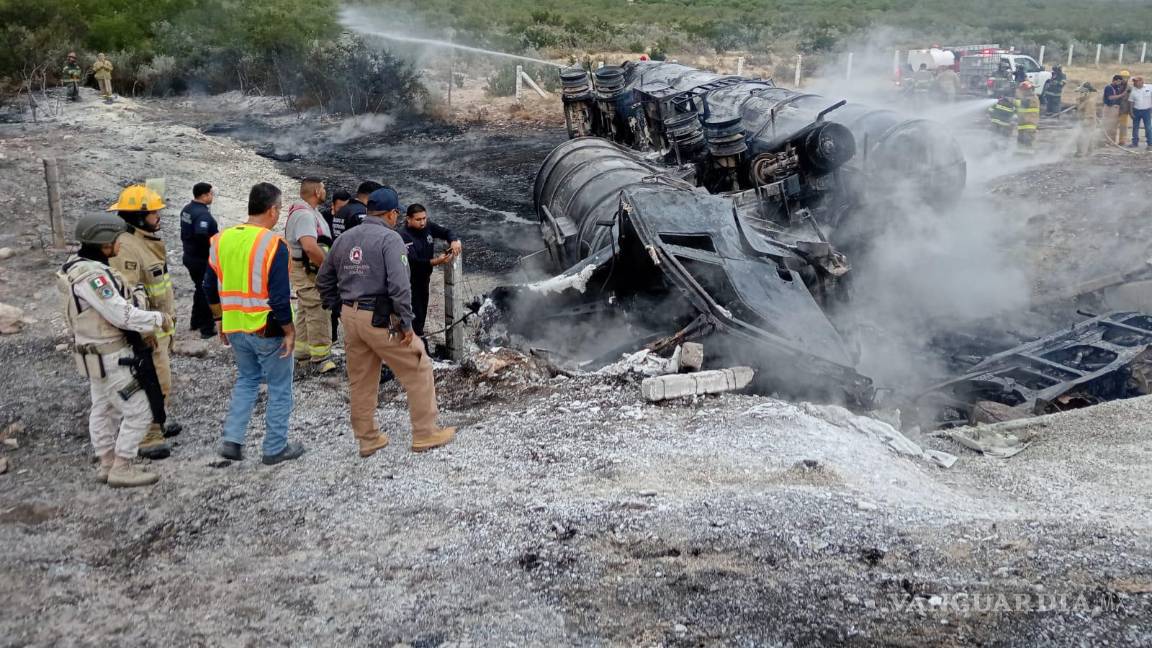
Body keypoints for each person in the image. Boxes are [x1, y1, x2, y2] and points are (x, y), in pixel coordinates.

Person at [316, 187, 456, 458]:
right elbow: (400, 287)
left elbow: (323, 280)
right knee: (419, 366)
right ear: (392, 214)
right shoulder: (390, 240)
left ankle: (368, 439)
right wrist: (407, 325)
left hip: (351, 317)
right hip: (379, 319)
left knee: (361, 380)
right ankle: (425, 433)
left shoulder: (345, 239)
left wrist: (338, 307)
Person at [58, 213, 169, 487]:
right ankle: (122, 465)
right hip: (111, 354)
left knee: (104, 407)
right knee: (141, 409)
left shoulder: (74, 267)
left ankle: (106, 462)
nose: (121, 244)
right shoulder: (94, 278)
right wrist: (158, 319)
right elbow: (121, 315)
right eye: (117, 239)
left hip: (92, 352)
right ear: (104, 243)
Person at [204, 183, 305, 465]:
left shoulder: (220, 239)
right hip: (266, 327)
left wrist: (219, 319)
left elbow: (208, 285)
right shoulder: (274, 244)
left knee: (247, 380)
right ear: (272, 210)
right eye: (280, 209)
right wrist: (289, 330)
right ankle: (274, 448)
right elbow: (279, 296)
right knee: (280, 387)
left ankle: (233, 440)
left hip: (235, 326)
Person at [107, 186, 178, 459]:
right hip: (146, 332)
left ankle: (156, 421)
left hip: (159, 328)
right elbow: (128, 296)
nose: (159, 216)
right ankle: (147, 435)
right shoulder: (125, 248)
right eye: (153, 212)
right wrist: (143, 331)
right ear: (138, 216)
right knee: (153, 379)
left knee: (162, 378)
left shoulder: (144, 241)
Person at [284, 178, 336, 373]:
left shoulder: (307, 212)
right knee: (318, 307)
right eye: (323, 188)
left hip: (307, 269)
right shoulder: (305, 215)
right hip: (309, 270)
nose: (325, 191)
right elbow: (309, 246)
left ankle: (302, 352)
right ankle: (321, 358)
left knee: (305, 308)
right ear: (316, 191)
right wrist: (327, 268)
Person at [399, 204, 461, 339]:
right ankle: (416, 345)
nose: (422, 222)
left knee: (421, 313)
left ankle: (418, 339)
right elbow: (413, 262)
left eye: (424, 218)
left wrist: (454, 241)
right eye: (418, 219)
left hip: (424, 278)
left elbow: (446, 232)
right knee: (414, 314)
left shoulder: (428, 227)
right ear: (408, 219)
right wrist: (435, 261)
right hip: (410, 281)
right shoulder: (403, 236)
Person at [180, 183, 219, 339]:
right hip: (201, 259)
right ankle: (206, 327)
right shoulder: (203, 215)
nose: (212, 197)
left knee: (199, 288)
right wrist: (213, 248)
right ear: (204, 195)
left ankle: (195, 321)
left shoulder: (187, 209)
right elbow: (201, 234)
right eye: (210, 194)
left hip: (189, 255)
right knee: (206, 291)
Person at [1074, 82, 1099, 157]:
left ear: (1086, 92)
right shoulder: (1083, 100)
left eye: (1081, 92)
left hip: (1088, 122)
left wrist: (1084, 123)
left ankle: (1081, 152)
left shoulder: (1089, 102)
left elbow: (1089, 115)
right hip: (1085, 121)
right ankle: (1089, 152)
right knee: (1089, 137)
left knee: (1082, 137)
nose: (1080, 94)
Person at [1015, 81, 1039, 153]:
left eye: (1022, 90)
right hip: (1022, 125)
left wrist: (1010, 100)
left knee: (1028, 140)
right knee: (1020, 140)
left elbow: (1024, 104)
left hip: (1030, 124)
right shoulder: (1025, 97)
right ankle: (1019, 154)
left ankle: (1029, 156)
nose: (1021, 91)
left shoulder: (1033, 98)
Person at [1128, 76, 1152, 148]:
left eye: (1136, 81)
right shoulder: (1133, 90)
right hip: (1136, 111)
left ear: (1142, 81)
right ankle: (1134, 143)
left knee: (1148, 127)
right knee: (1135, 127)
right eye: (1134, 81)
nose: (1135, 83)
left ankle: (1150, 143)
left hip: (1147, 111)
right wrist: (1131, 112)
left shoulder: (1149, 87)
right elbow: (1131, 102)